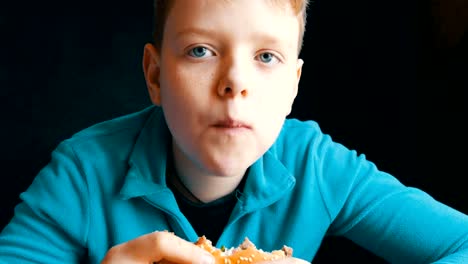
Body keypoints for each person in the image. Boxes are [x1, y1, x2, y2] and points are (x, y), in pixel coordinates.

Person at [1, 0, 467, 263]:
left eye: (266, 57)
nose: (234, 84)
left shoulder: (317, 165)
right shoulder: (81, 173)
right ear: (155, 75)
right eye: (201, 51)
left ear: (293, 88)